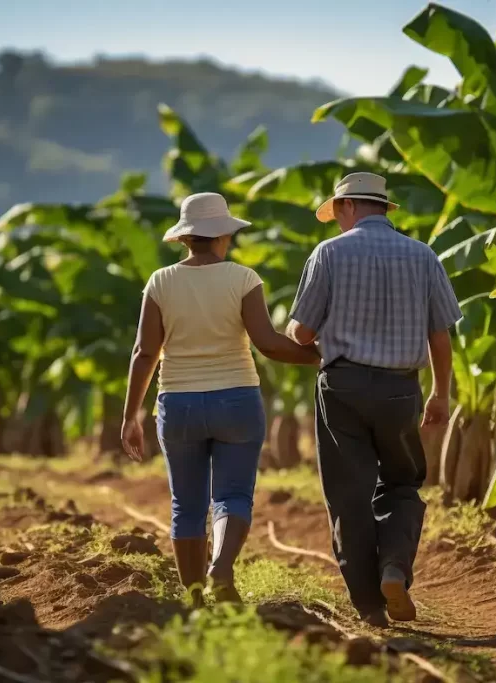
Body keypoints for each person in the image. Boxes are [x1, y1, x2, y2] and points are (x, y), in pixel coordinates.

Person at [121, 192, 320, 606]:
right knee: (232, 495)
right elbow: (267, 343)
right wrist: (319, 356)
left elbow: (144, 352)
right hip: (237, 399)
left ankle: (194, 599)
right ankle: (222, 567)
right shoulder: (243, 278)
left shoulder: (160, 282)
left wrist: (131, 416)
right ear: (224, 235)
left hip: (178, 403)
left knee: (186, 505)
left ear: (184, 239)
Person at [286, 172, 462, 627]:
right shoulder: (422, 255)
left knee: (349, 496)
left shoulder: (329, 253)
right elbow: (440, 336)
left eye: (337, 214)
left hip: (342, 387)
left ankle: (369, 606)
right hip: (401, 389)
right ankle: (394, 569)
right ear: (383, 208)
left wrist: (294, 333)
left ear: (346, 207)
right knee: (402, 484)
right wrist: (441, 394)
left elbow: (302, 332)